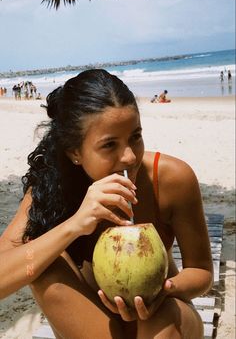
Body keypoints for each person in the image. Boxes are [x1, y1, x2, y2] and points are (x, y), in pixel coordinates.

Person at [0, 69, 212, 339]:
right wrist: (75, 225)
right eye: (109, 145)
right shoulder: (51, 189)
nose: (128, 157)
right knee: (44, 262)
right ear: (75, 152)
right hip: (95, 324)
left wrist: (162, 291)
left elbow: (201, 272)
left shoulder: (171, 179)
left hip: (164, 317)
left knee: (163, 315)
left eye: (135, 137)